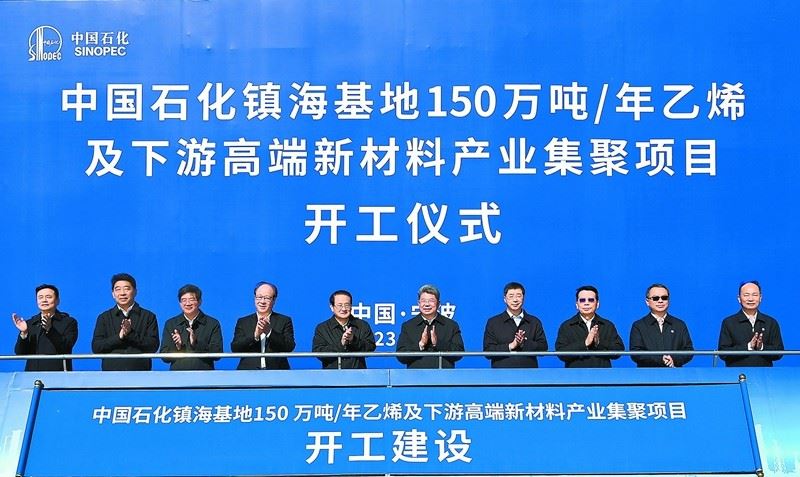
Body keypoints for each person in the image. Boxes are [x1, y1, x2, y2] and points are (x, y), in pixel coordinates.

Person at [91, 273, 159, 371]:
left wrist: (131, 334)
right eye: (118, 289)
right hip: (111, 374)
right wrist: (119, 337)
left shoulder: (148, 316)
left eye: (127, 289)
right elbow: (96, 347)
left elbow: (153, 346)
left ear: (135, 292)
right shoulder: (104, 317)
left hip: (141, 374)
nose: (122, 293)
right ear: (113, 294)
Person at [12, 284, 78, 371]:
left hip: (58, 374)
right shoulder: (30, 323)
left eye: (48, 297)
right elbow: (20, 353)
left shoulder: (68, 322)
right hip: (32, 375)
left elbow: (66, 347)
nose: (44, 300)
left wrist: (49, 329)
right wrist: (24, 333)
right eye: (40, 297)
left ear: (57, 301)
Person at [396, 284, 464, 369]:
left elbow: (459, 353)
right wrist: (420, 345)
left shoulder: (451, 325)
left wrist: (437, 343)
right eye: (423, 301)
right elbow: (400, 356)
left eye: (431, 301)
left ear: (438, 303)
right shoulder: (408, 326)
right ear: (418, 303)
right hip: (416, 376)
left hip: (444, 376)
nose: (427, 304)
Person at [718, 280, 784, 367]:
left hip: (764, 373)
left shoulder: (771, 322)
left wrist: (761, 347)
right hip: (736, 373)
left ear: (760, 297)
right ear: (739, 298)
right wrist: (748, 347)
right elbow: (723, 353)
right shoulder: (729, 322)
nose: (750, 299)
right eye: (746, 295)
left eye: (755, 295)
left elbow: (779, 353)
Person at [230, 281, 295, 370]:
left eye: (267, 298)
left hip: (277, 372)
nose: (262, 301)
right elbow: (235, 348)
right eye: (259, 297)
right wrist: (255, 335)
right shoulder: (243, 322)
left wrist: (269, 332)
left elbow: (289, 347)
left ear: (274, 300)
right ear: (254, 298)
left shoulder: (284, 320)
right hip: (248, 373)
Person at [555, 285, 624, 368]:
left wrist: (599, 343)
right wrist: (585, 343)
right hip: (575, 375)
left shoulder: (607, 325)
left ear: (597, 304)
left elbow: (619, 351)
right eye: (582, 300)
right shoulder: (567, 326)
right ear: (577, 304)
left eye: (591, 300)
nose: (586, 303)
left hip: (603, 374)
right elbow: (561, 354)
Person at [482, 281, 548, 368]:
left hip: (529, 373)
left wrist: (524, 344)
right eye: (511, 296)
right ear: (505, 299)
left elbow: (543, 348)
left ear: (523, 298)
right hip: (501, 374)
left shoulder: (534, 321)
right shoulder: (493, 322)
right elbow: (488, 352)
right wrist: (511, 345)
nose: (515, 300)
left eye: (519, 296)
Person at [160, 284, 223, 370]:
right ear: (180, 303)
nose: (187, 303)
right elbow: (164, 357)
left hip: (205, 374)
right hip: (177, 375)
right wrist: (178, 347)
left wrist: (196, 343)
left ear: (200, 302)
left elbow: (217, 354)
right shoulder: (171, 324)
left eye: (191, 299)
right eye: (183, 300)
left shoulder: (212, 323)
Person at [629, 283, 694, 367]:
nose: (660, 301)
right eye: (655, 298)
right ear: (647, 302)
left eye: (664, 298)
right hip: (647, 373)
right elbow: (636, 353)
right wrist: (660, 359)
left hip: (674, 372)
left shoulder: (679, 325)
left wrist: (673, 359)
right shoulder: (639, 326)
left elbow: (688, 350)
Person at [312, 290, 376, 369]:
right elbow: (318, 353)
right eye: (340, 305)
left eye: (347, 305)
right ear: (332, 307)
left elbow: (370, 348)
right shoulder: (322, 328)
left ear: (351, 306)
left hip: (358, 374)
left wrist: (353, 340)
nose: (344, 308)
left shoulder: (362, 325)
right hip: (332, 375)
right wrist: (341, 344)